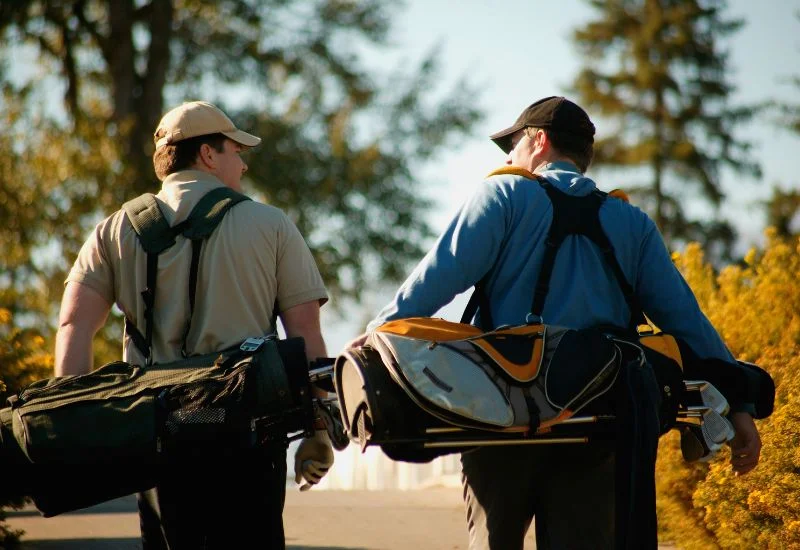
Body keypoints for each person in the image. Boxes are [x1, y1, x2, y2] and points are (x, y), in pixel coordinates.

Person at [349, 96, 762, 549]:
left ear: (540, 141)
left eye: (513, 145)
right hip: (598, 418)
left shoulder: (504, 194)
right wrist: (739, 404)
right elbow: (688, 323)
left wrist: (363, 353)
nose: (508, 158)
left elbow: (430, 285)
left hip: (504, 412)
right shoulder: (632, 222)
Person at [55, 100, 335, 549]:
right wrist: (318, 430)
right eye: (234, 150)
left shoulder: (113, 230)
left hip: (156, 433)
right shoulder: (272, 225)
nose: (242, 163)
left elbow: (73, 326)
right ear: (207, 154)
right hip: (247, 430)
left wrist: (71, 434)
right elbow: (305, 334)